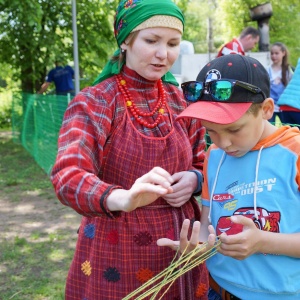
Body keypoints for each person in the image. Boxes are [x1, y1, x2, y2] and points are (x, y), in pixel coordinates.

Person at [50, 0, 209, 299]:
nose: (164, 54)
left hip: (182, 243)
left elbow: (205, 159)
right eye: (151, 41)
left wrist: (194, 179)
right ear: (125, 41)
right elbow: (67, 175)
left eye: (173, 43)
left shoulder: (181, 101)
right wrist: (122, 198)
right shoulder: (95, 102)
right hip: (116, 247)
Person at [158, 54, 300, 300]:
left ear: (266, 109)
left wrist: (263, 242)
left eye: (234, 129)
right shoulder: (213, 156)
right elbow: (207, 225)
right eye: (211, 130)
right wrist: (196, 248)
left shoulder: (294, 153)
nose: (223, 143)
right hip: (220, 290)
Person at [268, 42, 294, 123]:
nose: (274, 56)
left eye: (276, 53)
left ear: (283, 53)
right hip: (270, 107)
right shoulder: (267, 70)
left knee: (287, 129)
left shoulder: (289, 70)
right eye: (272, 53)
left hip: (284, 107)